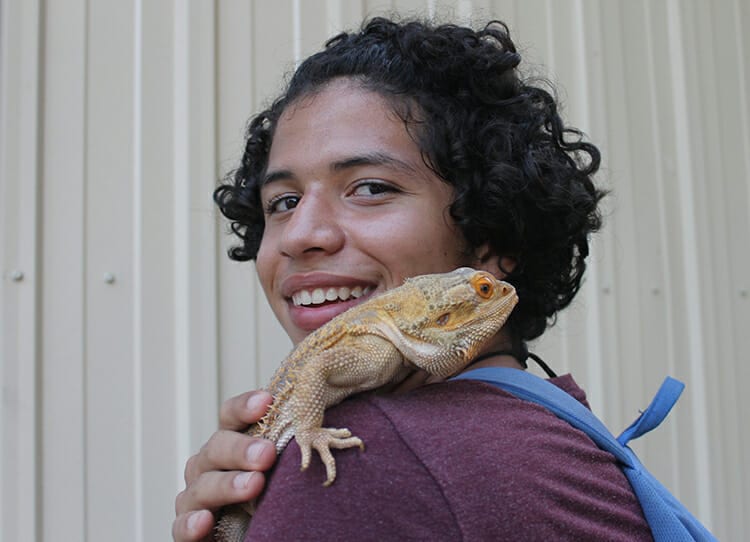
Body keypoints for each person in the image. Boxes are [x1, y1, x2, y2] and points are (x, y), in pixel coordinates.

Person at [173, 17, 653, 541]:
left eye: (371, 188)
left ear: (493, 237)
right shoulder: (563, 434)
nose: (299, 234)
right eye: (282, 202)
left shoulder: (362, 459)